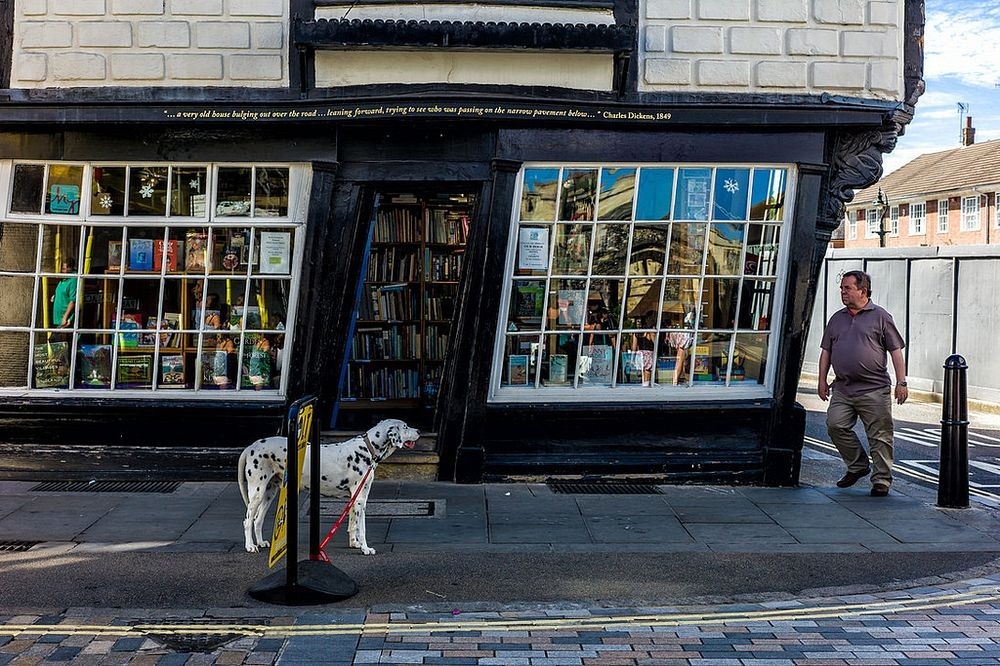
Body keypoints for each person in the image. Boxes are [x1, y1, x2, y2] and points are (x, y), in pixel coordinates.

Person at [817, 270, 907, 497]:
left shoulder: (881, 316)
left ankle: (881, 481)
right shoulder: (837, 318)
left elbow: (896, 351)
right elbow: (826, 351)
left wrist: (901, 382)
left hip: (874, 389)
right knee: (835, 425)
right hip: (843, 388)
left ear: (863, 290)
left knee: (880, 436)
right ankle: (857, 466)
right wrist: (821, 380)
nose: (842, 292)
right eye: (842, 288)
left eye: (847, 288)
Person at [51, 257, 78, 340]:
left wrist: (65, 318)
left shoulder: (73, 280)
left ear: (70, 268)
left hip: (65, 319)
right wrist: (55, 296)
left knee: (55, 341)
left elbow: (72, 301)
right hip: (57, 318)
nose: (62, 271)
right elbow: (62, 293)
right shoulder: (62, 280)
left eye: (64, 269)